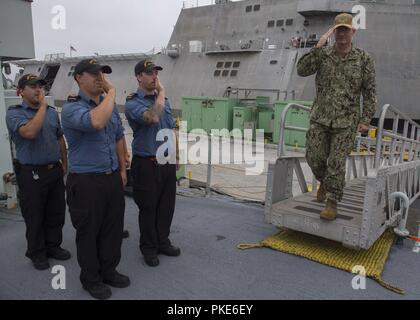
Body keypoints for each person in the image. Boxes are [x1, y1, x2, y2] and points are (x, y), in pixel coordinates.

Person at [296, 13, 377, 220]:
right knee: (313, 157)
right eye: (338, 30)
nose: (342, 34)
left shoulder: (363, 59)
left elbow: (369, 92)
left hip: (347, 121)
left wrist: (366, 119)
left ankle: (332, 201)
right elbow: (302, 70)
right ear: (333, 31)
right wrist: (319, 45)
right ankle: (325, 183)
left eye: (346, 30)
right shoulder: (323, 55)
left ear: (353, 32)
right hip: (320, 117)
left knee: (336, 162)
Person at [61, 59, 130, 299]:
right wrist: (111, 92)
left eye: (102, 73)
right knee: (89, 232)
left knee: (112, 229)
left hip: (111, 178)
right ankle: (91, 279)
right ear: (79, 78)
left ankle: (109, 270)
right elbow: (96, 121)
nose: (99, 77)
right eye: (94, 74)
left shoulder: (107, 106)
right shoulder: (71, 109)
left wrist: (122, 171)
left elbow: (119, 137)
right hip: (86, 182)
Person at [6, 74, 70, 270]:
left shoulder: (51, 113)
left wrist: (64, 164)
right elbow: (29, 133)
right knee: (34, 215)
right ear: (21, 91)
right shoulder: (14, 113)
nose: (38, 90)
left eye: (40, 86)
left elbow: (59, 139)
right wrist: (42, 107)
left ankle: (53, 246)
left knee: (56, 212)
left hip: (53, 170)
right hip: (31, 173)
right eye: (32, 86)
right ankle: (37, 252)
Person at [125, 59, 180, 267]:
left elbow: (171, 128)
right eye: (149, 73)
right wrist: (162, 92)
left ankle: (162, 241)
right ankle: (148, 248)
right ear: (139, 77)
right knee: (148, 208)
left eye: (156, 72)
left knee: (166, 207)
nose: (154, 76)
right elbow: (153, 118)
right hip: (147, 163)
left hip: (166, 162)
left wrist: (176, 155)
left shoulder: (163, 101)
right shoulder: (133, 103)